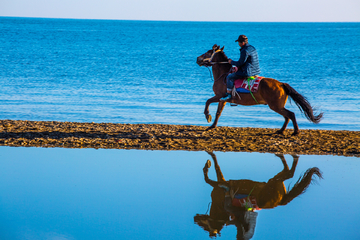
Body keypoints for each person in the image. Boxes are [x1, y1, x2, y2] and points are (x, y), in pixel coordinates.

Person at [220, 35, 261, 101]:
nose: (238, 44)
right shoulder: (252, 48)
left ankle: (229, 94)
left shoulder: (244, 50)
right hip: (256, 71)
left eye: (239, 42)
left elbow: (240, 63)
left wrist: (231, 62)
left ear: (243, 43)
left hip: (247, 72)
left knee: (229, 77)